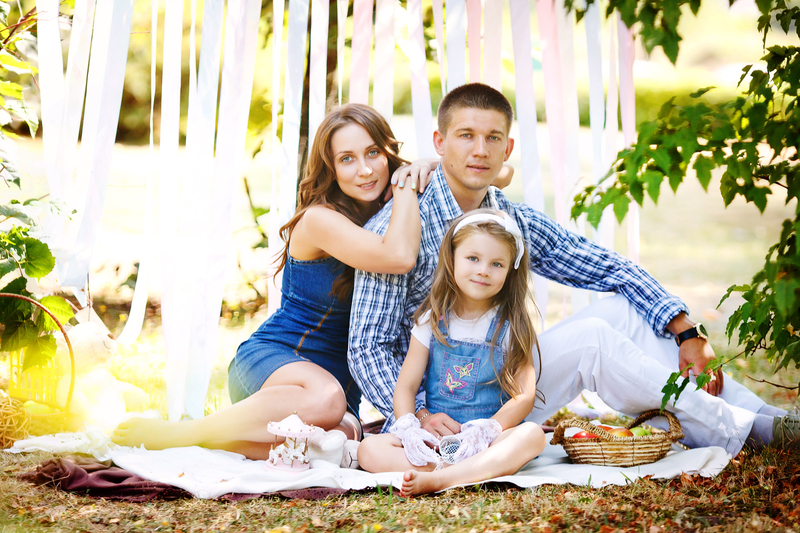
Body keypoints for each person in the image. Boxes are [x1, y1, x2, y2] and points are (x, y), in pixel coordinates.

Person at [348, 83, 799, 457]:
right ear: (439, 142)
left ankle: (768, 421)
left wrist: (685, 329)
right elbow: (367, 346)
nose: (480, 150)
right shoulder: (397, 227)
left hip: (508, 389)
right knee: (593, 339)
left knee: (625, 312)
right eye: (466, 135)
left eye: (492, 138)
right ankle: (741, 431)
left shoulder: (511, 219)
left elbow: (606, 266)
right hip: (441, 403)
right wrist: (421, 414)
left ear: (508, 148)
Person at [112, 103, 434, 458]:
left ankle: (213, 441)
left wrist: (429, 165)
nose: (365, 169)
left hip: (339, 391)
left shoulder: (390, 212)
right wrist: (407, 183)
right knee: (326, 400)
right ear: (330, 169)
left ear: (388, 152)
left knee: (341, 437)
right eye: (347, 159)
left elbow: (475, 177)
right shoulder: (318, 220)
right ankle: (183, 432)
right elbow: (399, 257)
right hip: (278, 362)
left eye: (373, 152)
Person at [357, 210, 546, 495]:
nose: (483, 270)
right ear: (452, 258)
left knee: (532, 436)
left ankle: (439, 478)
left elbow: (524, 396)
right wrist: (409, 427)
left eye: (497, 264)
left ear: (510, 271)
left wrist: (488, 430)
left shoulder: (511, 325)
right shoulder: (431, 320)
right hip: (437, 440)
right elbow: (406, 386)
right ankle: (459, 472)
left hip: (486, 442)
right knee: (369, 449)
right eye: (473, 258)